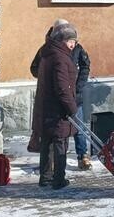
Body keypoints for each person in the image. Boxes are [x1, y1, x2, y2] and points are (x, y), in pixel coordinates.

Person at [30, 20, 92, 170]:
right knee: (57, 136)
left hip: (74, 95)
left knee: (79, 128)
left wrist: (77, 87)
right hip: (59, 99)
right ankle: (55, 174)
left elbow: (85, 66)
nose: (72, 43)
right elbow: (35, 69)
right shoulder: (48, 51)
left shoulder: (77, 48)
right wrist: (48, 81)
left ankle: (82, 155)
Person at [34, 21, 79, 189]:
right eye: (71, 41)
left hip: (46, 106)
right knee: (60, 143)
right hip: (58, 109)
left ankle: (45, 177)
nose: (73, 44)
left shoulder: (47, 53)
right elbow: (62, 87)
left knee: (47, 142)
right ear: (63, 41)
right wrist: (71, 108)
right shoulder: (60, 58)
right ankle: (59, 179)